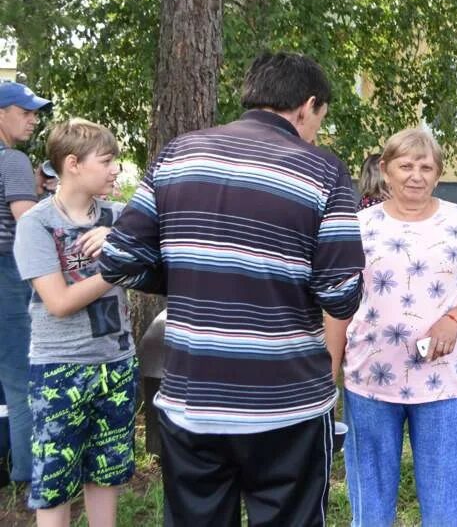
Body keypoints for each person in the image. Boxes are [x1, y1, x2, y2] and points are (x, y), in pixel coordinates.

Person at [99, 52, 365, 526]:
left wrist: (188, 276)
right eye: (319, 119)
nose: (317, 131)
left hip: (191, 398)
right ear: (306, 106)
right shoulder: (322, 171)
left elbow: (118, 259)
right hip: (287, 404)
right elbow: (341, 292)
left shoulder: (178, 154)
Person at [328, 128, 457, 527]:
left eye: (426, 166)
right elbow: (338, 306)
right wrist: (328, 374)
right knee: (370, 506)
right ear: (385, 170)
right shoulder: (360, 225)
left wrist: (454, 319)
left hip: (442, 385)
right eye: (405, 165)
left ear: (438, 174)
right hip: (370, 381)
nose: (416, 175)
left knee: (443, 507)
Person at [14, 119, 134, 526]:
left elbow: (159, 249)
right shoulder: (36, 224)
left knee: (107, 473)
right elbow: (59, 302)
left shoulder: (119, 217)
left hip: (116, 363)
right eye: (106, 160)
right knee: (55, 482)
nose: (115, 168)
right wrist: (116, 264)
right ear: (73, 164)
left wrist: (118, 240)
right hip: (60, 368)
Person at [0, 81, 52, 490]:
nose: (33, 119)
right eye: (25, 111)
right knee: (21, 378)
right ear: (1, 113)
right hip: (7, 276)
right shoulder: (12, 159)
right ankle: (29, 477)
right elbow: (26, 223)